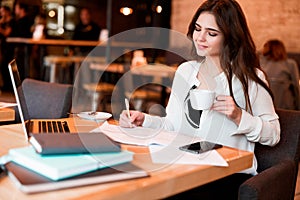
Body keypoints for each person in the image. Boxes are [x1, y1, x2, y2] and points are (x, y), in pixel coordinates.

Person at [119, 0, 280, 199]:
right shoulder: (186, 71)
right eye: (197, 29)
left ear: (230, 37)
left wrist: (239, 116)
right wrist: (144, 120)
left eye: (212, 33)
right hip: (186, 167)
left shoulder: (250, 79)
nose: (200, 38)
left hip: (227, 174)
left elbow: (273, 135)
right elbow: (172, 125)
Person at [260, 39, 300, 110]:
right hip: (286, 107)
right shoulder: (290, 64)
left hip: (265, 106)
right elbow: (296, 87)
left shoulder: (260, 63)